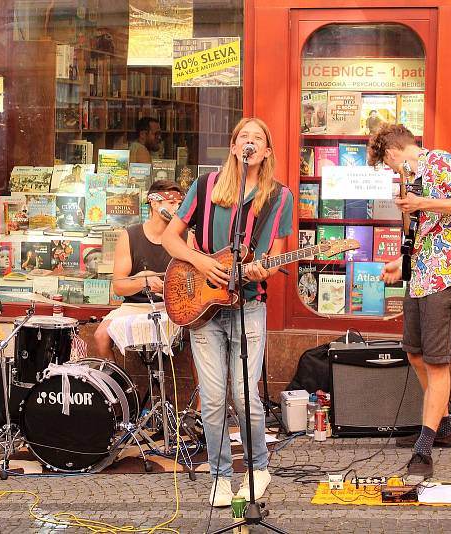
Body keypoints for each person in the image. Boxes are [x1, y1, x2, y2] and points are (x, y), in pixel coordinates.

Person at [162, 118, 293, 507]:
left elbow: (271, 255)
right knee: (215, 398)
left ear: (266, 152)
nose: (249, 143)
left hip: (248, 306)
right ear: (234, 146)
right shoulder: (205, 187)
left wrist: (260, 268)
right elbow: (171, 238)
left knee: (244, 394)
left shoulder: (278, 197)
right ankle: (220, 474)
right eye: (243, 137)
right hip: (201, 303)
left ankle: (258, 467)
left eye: (258, 139)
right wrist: (200, 263)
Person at [368, 124, 451, 479]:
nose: (389, 170)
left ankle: (424, 447)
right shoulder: (411, 180)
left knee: (436, 362)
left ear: (392, 151)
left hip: (447, 274)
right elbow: (419, 234)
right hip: (421, 274)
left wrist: (422, 203)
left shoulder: (440, 161)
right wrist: (399, 263)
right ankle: (444, 428)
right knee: (415, 353)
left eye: (387, 163)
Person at [93, 180, 184, 359]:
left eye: (180, 204)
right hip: (134, 306)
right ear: (154, 203)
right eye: (172, 203)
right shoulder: (130, 235)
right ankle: (116, 384)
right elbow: (118, 287)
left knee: (200, 339)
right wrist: (144, 281)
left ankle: (200, 388)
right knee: (100, 335)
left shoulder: (186, 236)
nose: (177, 208)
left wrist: (169, 290)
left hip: (171, 306)